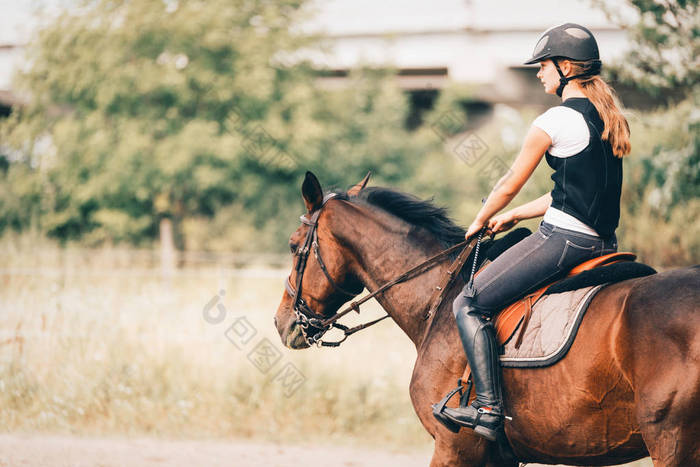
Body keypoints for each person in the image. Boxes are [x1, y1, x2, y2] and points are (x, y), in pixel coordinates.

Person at [433, 23, 631, 441]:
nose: (539, 74)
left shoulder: (555, 119)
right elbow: (570, 193)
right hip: (602, 243)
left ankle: (488, 408)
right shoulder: (606, 116)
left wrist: (479, 219)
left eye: (543, 66)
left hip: (564, 242)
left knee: (468, 303)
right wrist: (515, 216)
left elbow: (508, 182)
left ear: (565, 67)